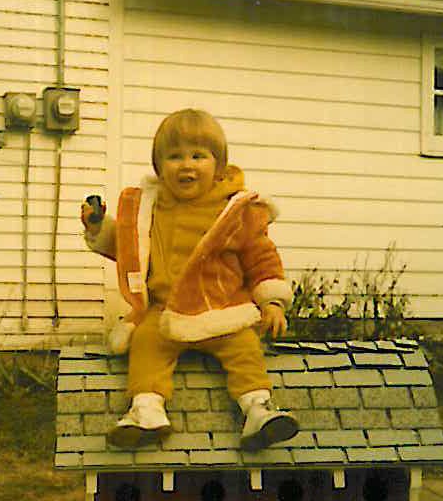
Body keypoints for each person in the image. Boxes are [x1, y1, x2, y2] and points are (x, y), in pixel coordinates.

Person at [81, 108, 299, 452]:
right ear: (159, 166)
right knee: (146, 346)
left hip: (223, 308)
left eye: (198, 156)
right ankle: (146, 410)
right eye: (174, 156)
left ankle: (257, 408)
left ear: (219, 165)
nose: (186, 165)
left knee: (245, 348)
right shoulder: (150, 207)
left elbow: (261, 256)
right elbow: (131, 246)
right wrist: (98, 228)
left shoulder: (235, 210)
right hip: (165, 311)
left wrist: (271, 301)